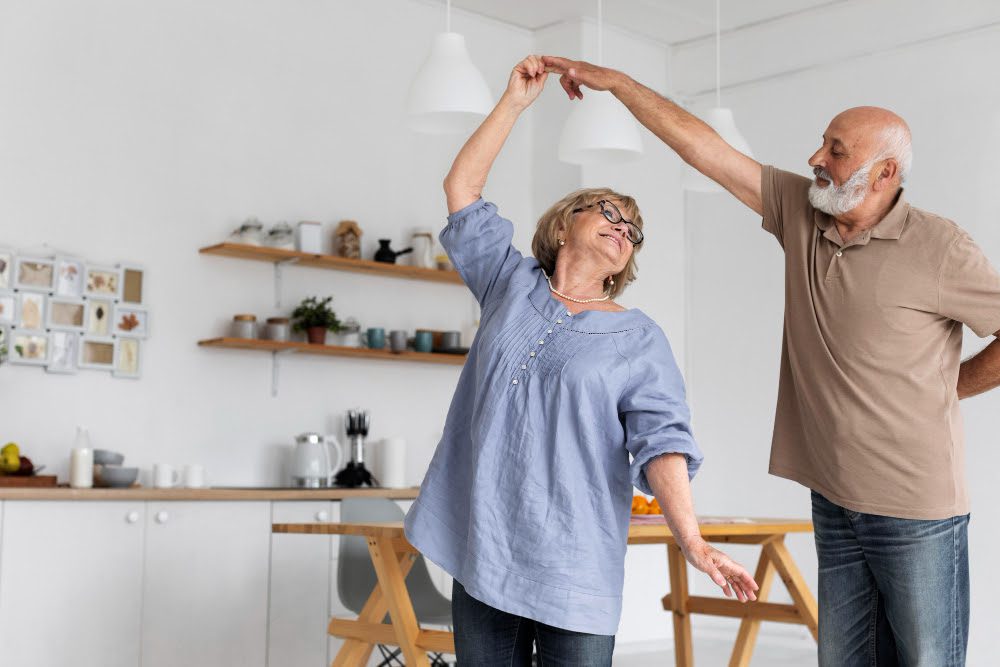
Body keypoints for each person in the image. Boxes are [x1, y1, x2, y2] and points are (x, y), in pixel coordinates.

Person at [540, 56, 1000, 666]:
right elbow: (706, 149)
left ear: (884, 171)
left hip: (915, 506)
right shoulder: (803, 212)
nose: (816, 158)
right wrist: (620, 85)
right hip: (833, 498)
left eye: (836, 151)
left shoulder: (940, 247)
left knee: (927, 660)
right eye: (822, 144)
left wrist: (945, 389)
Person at [403, 55, 758, 666]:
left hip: (574, 564)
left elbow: (663, 439)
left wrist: (692, 539)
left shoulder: (639, 339)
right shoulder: (509, 286)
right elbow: (462, 191)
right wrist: (514, 103)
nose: (624, 228)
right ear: (566, 224)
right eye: (610, 213)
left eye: (634, 231)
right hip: (485, 545)